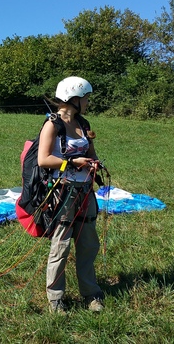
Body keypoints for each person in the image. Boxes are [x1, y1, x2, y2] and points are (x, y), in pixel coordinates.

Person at [37, 76, 104, 314]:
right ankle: (56, 299)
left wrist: (94, 164)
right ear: (73, 98)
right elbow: (43, 159)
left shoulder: (84, 124)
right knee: (61, 245)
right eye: (85, 98)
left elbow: (92, 153)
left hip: (85, 191)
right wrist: (72, 163)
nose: (88, 102)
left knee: (87, 244)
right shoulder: (52, 124)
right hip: (63, 193)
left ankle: (91, 293)